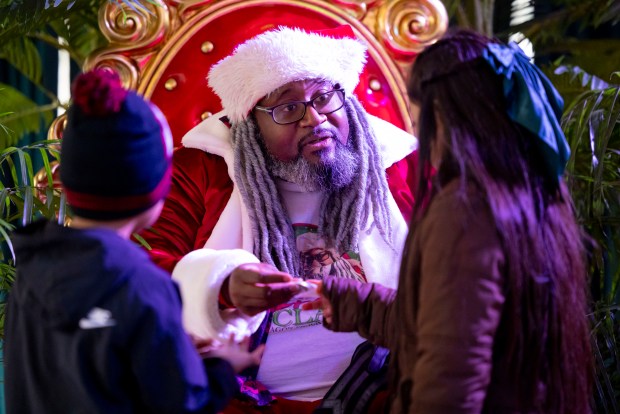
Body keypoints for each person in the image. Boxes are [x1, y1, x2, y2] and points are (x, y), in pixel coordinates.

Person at [305, 29, 593, 413]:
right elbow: (450, 323)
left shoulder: (463, 211)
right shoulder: (531, 185)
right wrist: (347, 301)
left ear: (441, 114)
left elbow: (449, 378)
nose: (413, 125)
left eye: (417, 111)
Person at [140, 25, 418, 413]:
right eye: (288, 108)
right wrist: (222, 284)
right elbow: (140, 270)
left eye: (324, 97)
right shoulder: (201, 169)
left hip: (389, 393)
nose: (315, 118)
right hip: (239, 400)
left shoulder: (399, 163)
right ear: (250, 124)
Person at [4, 69, 263, 414]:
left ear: (66, 181)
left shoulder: (32, 269)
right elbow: (183, 404)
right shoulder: (143, 286)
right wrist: (225, 367)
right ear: (157, 187)